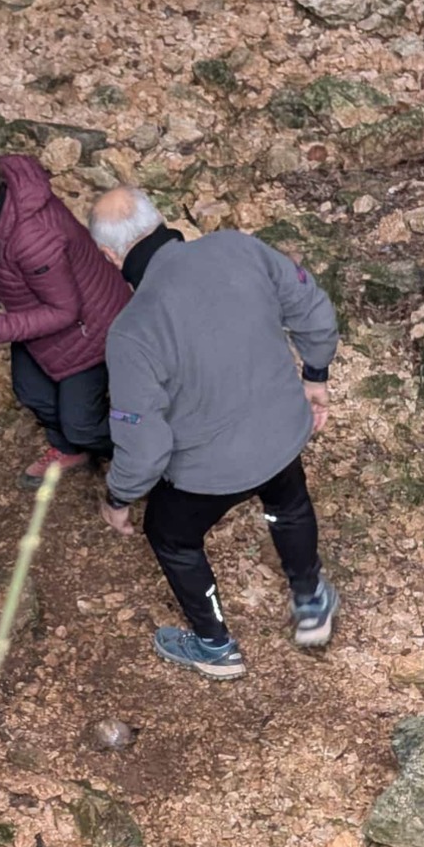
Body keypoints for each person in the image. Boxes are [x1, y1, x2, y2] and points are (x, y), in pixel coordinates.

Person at [89, 186, 339, 680]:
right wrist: (316, 376)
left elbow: (146, 445)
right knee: (287, 503)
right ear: (158, 220)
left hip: (207, 471)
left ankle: (215, 645)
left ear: (109, 256)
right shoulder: (238, 247)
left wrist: (119, 497)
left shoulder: (132, 330)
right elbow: (312, 308)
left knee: (171, 536)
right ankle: (311, 601)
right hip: (281, 434)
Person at [0, 135, 132, 486]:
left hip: (89, 329)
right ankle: (69, 449)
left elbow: (65, 311)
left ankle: (145, 452)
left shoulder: (32, 239)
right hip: (37, 309)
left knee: (81, 424)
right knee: (31, 390)